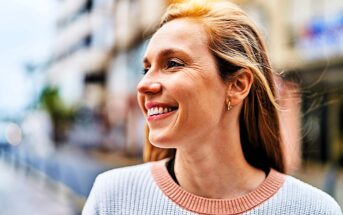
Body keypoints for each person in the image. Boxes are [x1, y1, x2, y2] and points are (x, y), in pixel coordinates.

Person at [82, 0, 342, 214]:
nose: (144, 85)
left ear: (238, 85)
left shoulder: (313, 210)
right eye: (146, 69)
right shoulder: (112, 198)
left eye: (173, 63)